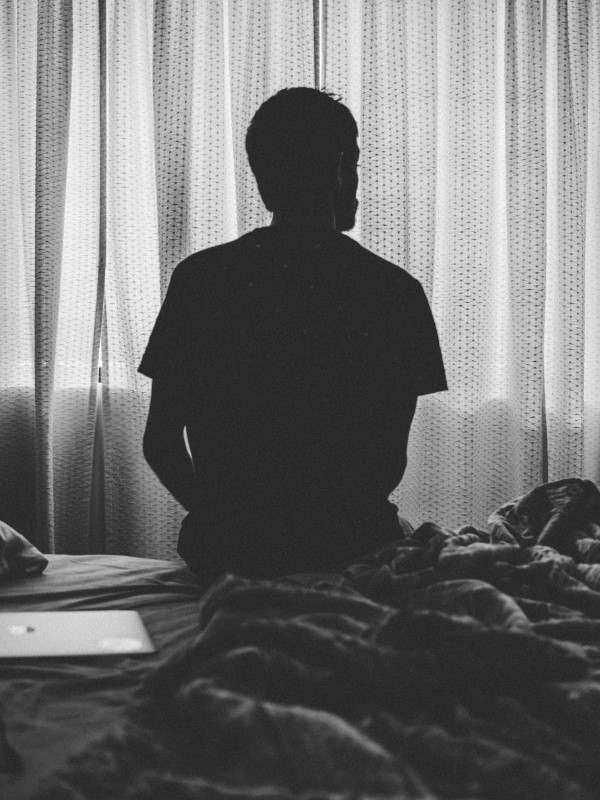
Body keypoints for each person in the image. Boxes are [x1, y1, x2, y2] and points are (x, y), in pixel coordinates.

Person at [138, 87, 447, 583]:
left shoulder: (201, 278)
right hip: (348, 548)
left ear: (264, 179)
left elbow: (161, 441)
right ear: (341, 166)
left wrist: (223, 518)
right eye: (357, 164)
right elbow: (386, 461)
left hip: (228, 551)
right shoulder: (393, 292)